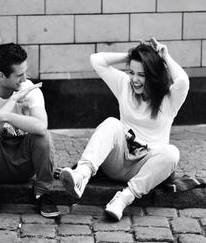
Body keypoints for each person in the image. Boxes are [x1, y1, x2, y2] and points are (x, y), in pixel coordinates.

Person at [60, 38, 189, 221]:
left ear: (153, 75)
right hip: (117, 161)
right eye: (131, 72)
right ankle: (82, 175)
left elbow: (183, 81)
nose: (135, 80)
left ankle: (123, 199)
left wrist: (165, 57)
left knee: (172, 153)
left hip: (144, 169)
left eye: (142, 74)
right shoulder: (124, 85)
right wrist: (131, 54)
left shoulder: (169, 100)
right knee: (112, 123)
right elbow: (96, 60)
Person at [0, 43, 59, 218]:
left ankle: (43, 193)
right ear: (2, 75)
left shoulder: (29, 89)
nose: (24, 79)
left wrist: (4, 116)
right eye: (19, 75)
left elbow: (41, 125)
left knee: (43, 136)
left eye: (25, 72)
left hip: (26, 163)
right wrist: (13, 102)